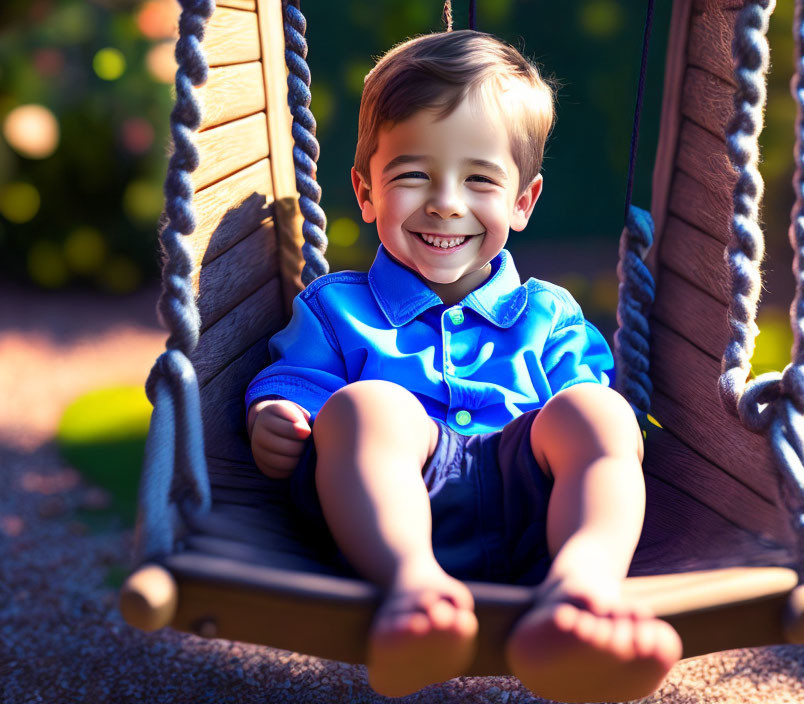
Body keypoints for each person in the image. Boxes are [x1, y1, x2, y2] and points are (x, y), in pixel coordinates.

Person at [244, 29, 682, 703]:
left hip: (535, 511)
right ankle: (415, 596)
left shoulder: (552, 315)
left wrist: (599, 424)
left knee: (599, 413)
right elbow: (295, 380)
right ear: (365, 192)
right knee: (369, 407)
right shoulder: (337, 308)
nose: (447, 202)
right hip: (391, 506)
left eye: (479, 179)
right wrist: (276, 413)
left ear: (522, 202)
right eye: (414, 174)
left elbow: (590, 433)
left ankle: (581, 594)